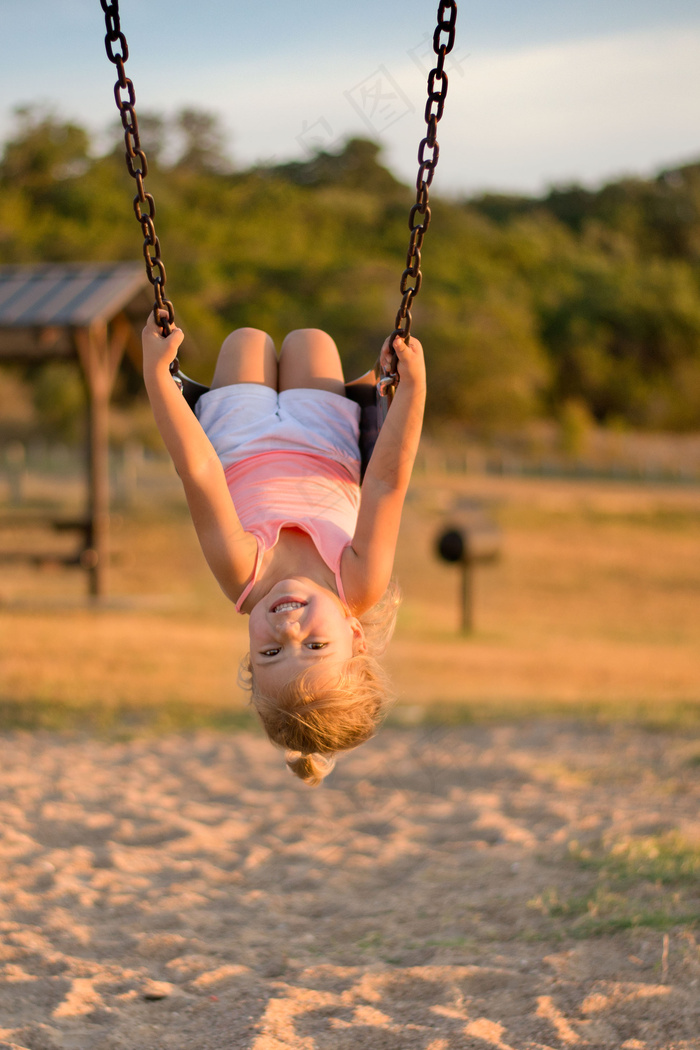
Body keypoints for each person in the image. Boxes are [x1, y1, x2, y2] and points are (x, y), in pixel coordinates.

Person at [141, 316, 425, 784]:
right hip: (325, 438)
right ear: (355, 637)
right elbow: (385, 483)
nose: (287, 627)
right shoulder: (359, 582)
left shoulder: (242, 574)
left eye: (271, 653)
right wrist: (411, 393)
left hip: (238, 436)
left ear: (250, 657)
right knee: (311, 340)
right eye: (314, 645)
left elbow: (200, 472)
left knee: (245, 340)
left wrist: (158, 379)